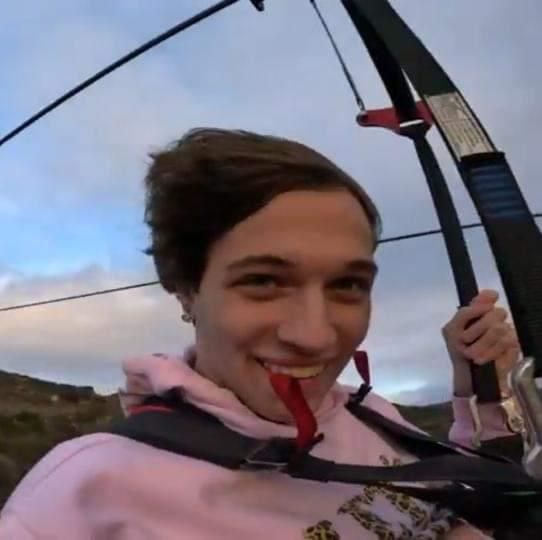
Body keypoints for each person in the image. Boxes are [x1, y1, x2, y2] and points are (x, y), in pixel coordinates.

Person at [0, 129, 523, 539]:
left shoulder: (366, 412)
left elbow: (471, 493)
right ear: (184, 286)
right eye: (264, 282)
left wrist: (476, 388)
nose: (315, 336)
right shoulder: (82, 496)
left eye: (347, 285)